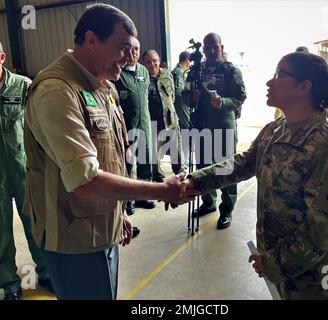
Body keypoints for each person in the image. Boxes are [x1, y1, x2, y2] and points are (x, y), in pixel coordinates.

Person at [23, 3, 193, 300]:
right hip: (73, 239)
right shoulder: (57, 92)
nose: (129, 58)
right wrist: (161, 190)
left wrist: (119, 212)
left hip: (104, 227)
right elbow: (85, 181)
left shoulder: (104, 86)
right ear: (91, 40)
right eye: (122, 48)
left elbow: (110, 154)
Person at [179, 52, 328, 299]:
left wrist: (275, 263)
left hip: (313, 279)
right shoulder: (275, 128)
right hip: (279, 268)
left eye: (280, 75)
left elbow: (324, 229)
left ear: (304, 87)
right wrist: (195, 181)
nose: (269, 82)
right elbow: (243, 163)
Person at [0, 42, 52, 300]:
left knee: (35, 222)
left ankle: (46, 271)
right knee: (0, 230)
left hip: (24, 169)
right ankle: (8, 283)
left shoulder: (23, 86)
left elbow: (40, 124)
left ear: (1, 57)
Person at [191, 33, 246, 230]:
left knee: (226, 169)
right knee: (204, 166)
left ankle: (226, 209)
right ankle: (208, 203)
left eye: (215, 47)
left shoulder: (231, 71)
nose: (212, 51)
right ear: (203, 50)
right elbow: (185, 93)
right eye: (207, 48)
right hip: (203, 126)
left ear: (221, 47)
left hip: (224, 126)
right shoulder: (198, 70)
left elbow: (240, 97)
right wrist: (192, 95)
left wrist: (223, 102)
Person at [114, 38, 155, 225]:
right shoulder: (117, 73)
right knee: (127, 165)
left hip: (144, 125)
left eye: (137, 49)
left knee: (146, 161)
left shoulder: (144, 71)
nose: (133, 53)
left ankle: (143, 195)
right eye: (129, 49)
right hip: (127, 127)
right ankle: (128, 200)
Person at [142, 49, 185, 182]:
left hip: (171, 121)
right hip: (153, 123)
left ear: (159, 60)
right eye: (148, 62)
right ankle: (159, 182)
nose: (152, 64)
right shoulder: (143, 78)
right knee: (154, 156)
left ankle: (180, 177)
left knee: (177, 152)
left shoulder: (167, 74)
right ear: (144, 63)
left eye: (154, 61)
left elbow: (171, 96)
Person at [171, 51, 191, 165]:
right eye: (189, 61)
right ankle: (184, 163)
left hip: (180, 109)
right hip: (181, 109)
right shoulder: (179, 73)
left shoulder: (178, 71)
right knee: (185, 134)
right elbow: (179, 93)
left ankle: (183, 162)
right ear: (186, 60)